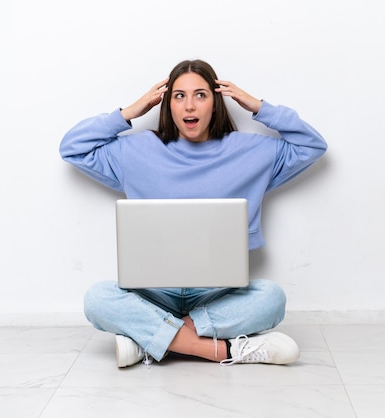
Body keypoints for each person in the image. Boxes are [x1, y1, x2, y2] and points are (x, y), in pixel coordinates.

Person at [59, 59, 327, 367]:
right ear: (166, 104)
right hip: (153, 293)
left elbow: (312, 145)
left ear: (217, 102)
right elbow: (72, 148)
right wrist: (129, 112)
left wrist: (259, 107)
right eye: (179, 96)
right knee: (97, 298)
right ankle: (222, 351)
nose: (190, 106)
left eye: (201, 95)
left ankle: (152, 342)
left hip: (216, 294)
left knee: (272, 298)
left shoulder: (251, 151)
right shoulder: (135, 152)